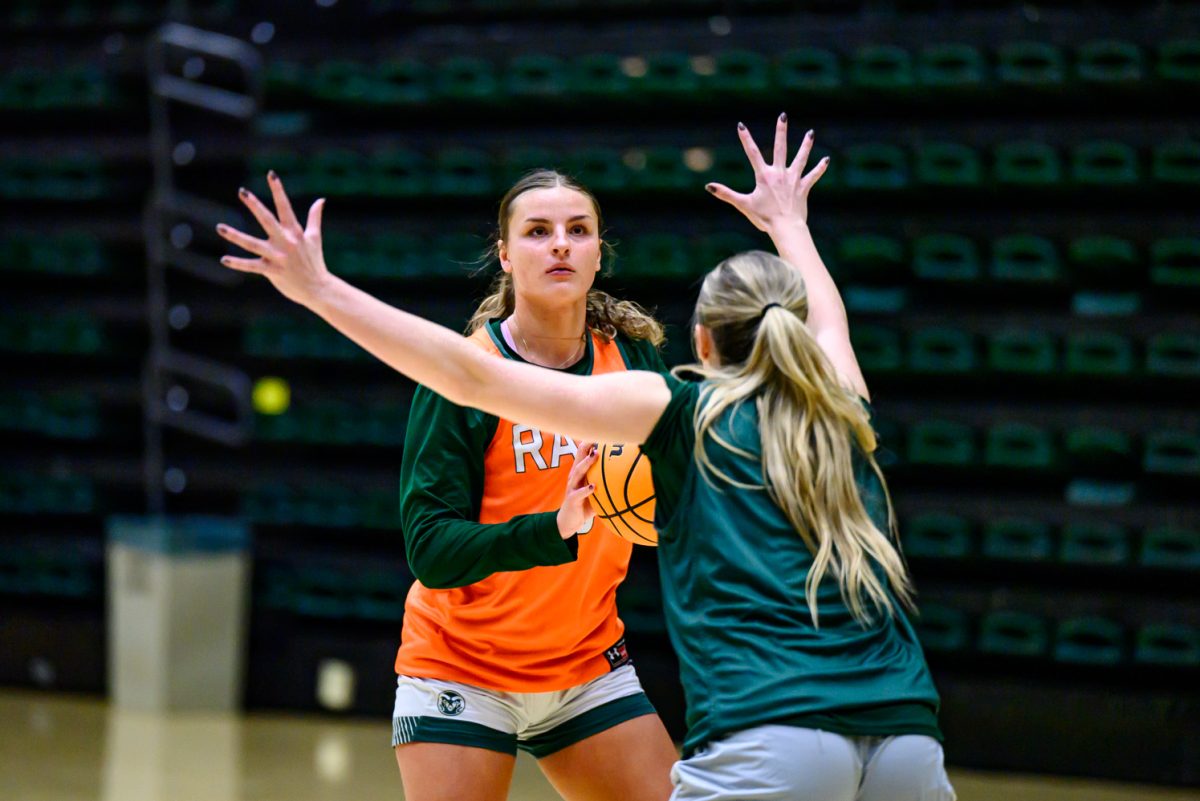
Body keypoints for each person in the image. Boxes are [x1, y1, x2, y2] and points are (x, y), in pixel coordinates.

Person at [217, 114, 955, 801]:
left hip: (605, 672)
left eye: (578, 229)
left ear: (699, 346)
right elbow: (829, 319)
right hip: (468, 664)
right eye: (538, 231)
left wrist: (319, 291)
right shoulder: (839, 402)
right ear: (504, 254)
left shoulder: (656, 389)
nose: (561, 244)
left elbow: (472, 376)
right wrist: (789, 226)